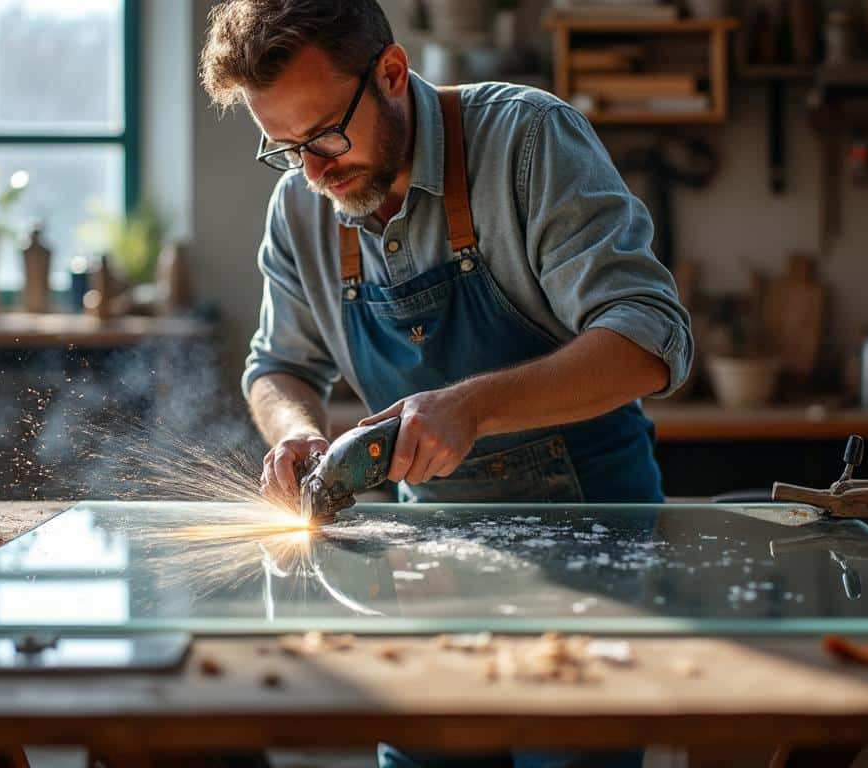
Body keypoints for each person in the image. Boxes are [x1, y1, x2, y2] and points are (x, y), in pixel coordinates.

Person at [200, 2, 692, 765]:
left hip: (591, 551)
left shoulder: (527, 139)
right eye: (286, 148)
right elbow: (278, 368)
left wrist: (472, 407)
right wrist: (296, 431)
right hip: (426, 562)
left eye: (326, 135)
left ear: (392, 73)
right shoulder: (302, 204)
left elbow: (651, 338)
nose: (314, 171)